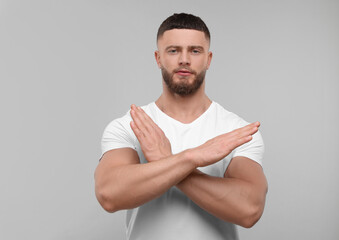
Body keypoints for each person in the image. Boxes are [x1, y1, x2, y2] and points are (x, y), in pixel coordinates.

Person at [95, 13, 268, 240]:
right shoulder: (130, 126)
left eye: (195, 51)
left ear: (208, 59)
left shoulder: (237, 132)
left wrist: (166, 159)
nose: (184, 59)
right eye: (173, 50)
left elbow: (250, 210)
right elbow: (109, 194)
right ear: (158, 58)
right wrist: (191, 158)